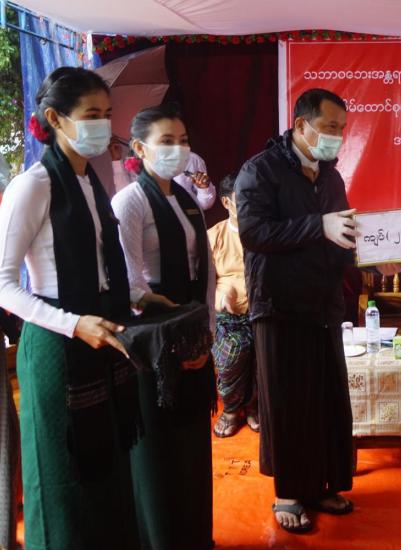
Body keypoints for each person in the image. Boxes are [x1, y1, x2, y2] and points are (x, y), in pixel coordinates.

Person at [0, 66, 165, 549]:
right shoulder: (34, 185)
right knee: (63, 479)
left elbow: (98, 266)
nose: (103, 125)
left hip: (100, 337)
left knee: (105, 469)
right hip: (57, 349)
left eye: (107, 114)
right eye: (91, 114)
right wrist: (73, 324)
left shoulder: (91, 181)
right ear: (55, 118)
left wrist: (134, 295)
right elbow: (4, 284)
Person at [236, 88, 401, 534]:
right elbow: (254, 233)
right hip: (279, 303)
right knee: (289, 402)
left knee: (327, 398)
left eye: (342, 129)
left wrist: (372, 258)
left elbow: (340, 235)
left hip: (324, 302)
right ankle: (290, 493)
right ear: (301, 126)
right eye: (329, 127)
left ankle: (324, 483)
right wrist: (317, 225)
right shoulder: (260, 170)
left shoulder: (330, 176)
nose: (337, 137)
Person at [112, 104, 216, 550]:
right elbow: (130, 284)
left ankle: (194, 535)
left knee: (191, 442)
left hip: (189, 332)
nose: (179, 149)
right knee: (158, 448)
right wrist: (172, 335)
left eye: (184, 140)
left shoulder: (186, 199)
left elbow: (205, 270)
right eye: (167, 142)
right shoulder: (129, 202)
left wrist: (205, 330)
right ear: (139, 148)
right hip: (153, 341)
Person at [209, 170, 259, 437]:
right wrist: (220, 294)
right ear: (227, 202)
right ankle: (230, 410)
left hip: (262, 309)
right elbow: (205, 281)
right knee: (234, 351)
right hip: (228, 315)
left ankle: (254, 406)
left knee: (267, 352)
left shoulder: (265, 231)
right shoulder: (214, 236)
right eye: (244, 197)